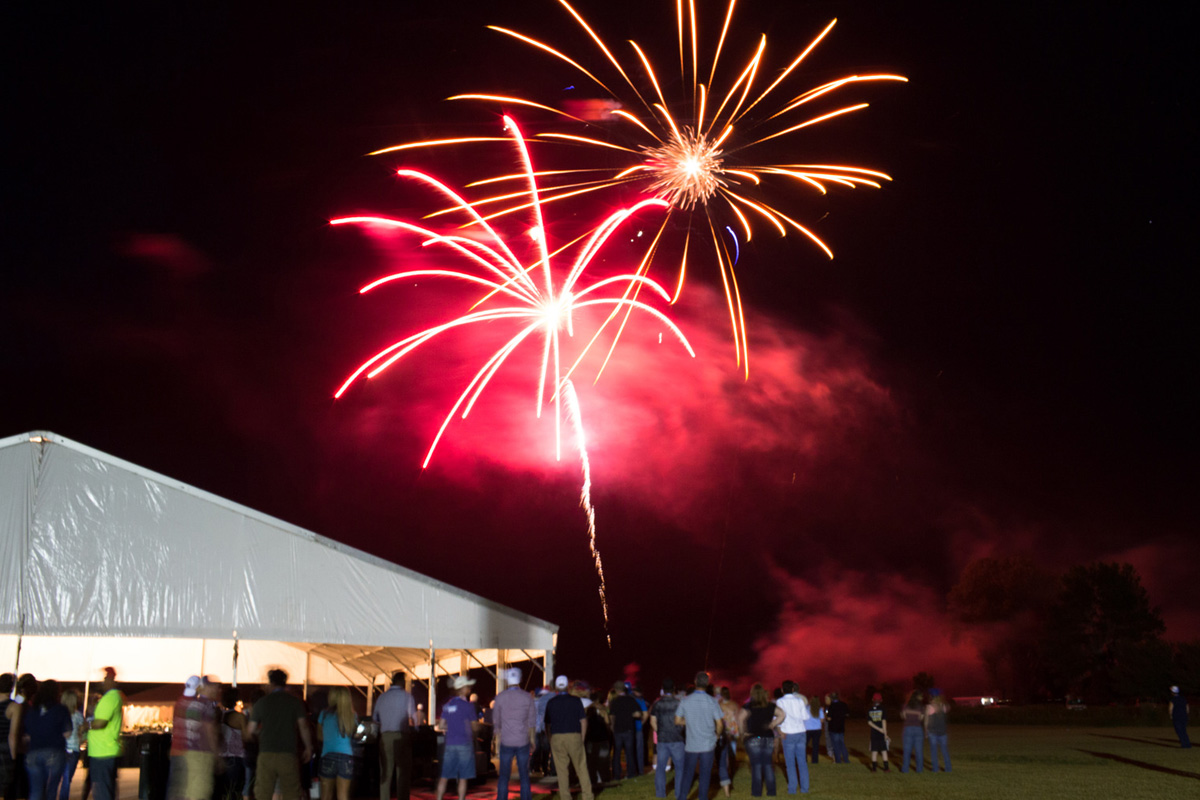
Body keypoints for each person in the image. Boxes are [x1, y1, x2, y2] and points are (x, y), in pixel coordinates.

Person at [247, 669, 313, 800]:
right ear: (285, 683)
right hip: (288, 754)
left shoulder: (262, 702)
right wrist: (308, 747)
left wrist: (263, 732)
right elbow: (303, 727)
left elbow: (251, 729)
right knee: (291, 792)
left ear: (271, 683)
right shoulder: (295, 702)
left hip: (266, 753)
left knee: (263, 793)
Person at [167, 676, 219, 800]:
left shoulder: (179, 702)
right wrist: (215, 752)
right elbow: (209, 729)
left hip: (176, 752)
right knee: (194, 790)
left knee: (177, 790)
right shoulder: (201, 704)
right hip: (193, 752)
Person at [674, 672, 723, 800]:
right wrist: (717, 736)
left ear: (695, 682)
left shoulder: (685, 700)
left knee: (688, 774)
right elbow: (719, 723)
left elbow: (677, 721)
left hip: (691, 745)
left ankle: (682, 797)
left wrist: (689, 721)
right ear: (707, 684)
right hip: (708, 744)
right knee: (705, 775)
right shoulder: (712, 701)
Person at [543, 675, 592, 800]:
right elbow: (583, 721)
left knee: (562, 770)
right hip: (574, 735)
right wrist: (582, 738)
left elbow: (547, 724)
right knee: (581, 767)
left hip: (557, 737)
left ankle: (565, 797)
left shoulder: (551, 703)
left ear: (556, 687)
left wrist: (550, 738)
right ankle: (587, 796)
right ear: (568, 686)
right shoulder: (576, 701)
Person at [23, 679, 71, 800]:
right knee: (51, 789)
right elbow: (67, 733)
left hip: (33, 752)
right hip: (54, 751)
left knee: (35, 790)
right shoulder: (61, 709)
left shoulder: (32, 710)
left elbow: (27, 735)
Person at [493, 668, 536, 800]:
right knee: (524, 775)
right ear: (520, 679)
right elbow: (531, 722)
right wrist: (532, 741)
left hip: (506, 742)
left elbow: (496, 722)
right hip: (523, 741)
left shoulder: (500, 697)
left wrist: (497, 742)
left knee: (504, 776)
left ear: (507, 680)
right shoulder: (527, 697)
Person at [374, 672, 417, 800]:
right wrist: (415, 729)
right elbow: (413, 718)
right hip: (401, 736)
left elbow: (375, 718)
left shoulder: (382, 697)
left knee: (386, 774)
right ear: (402, 682)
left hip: (385, 737)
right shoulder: (407, 697)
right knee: (402, 773)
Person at [436, 676, 479, 800]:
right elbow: (474, 726)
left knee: (444, 776)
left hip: (450, 744)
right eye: (467, 686)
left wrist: (452, 726)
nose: (469, 689)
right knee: (463, 777)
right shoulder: (468, 706)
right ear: (462, 689)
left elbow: (442, 725)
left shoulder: (447, 705)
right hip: (464, 743)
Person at [738, 683, 784, 798]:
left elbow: (740, 719)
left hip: (753, 738)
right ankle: (771, 792)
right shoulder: (770, 706)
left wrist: (743, 732)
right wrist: (773, 724)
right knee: (768, 764)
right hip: (767, 738)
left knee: (756, 766)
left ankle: (756, 792)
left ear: (752, 694)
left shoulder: (748, 706)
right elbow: (782, 714)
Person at [86, 668, 123, 800]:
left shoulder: (109, 699)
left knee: (102, 791)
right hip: (105, 750)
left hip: (102, 751)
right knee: (105, 789)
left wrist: (86, 726)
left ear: (111, 680)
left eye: (105, 678)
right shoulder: (113, 698)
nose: (102, 681)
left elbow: (101, 723)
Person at [317, 687, 357, 800]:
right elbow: (355, 736)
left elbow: (320, 737)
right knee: (343, 796)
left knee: (325, 795)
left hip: (328, 756)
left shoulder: (324, 714)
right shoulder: (352, 716)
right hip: (346, 758)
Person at [648, 679, 683, 800]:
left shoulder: (657, 704)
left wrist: (659, 731)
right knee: (680, 768)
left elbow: (652, 721)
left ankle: (660, 794)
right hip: (677, 739)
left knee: (660, 767)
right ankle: (679, 794)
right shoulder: (679, 703)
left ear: (663, 689)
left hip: (662, 740)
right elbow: (683, 720)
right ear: (674, 689)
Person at [774, 682, 810, 795]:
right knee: (802, 762)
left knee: (790, 763)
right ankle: (804, 788)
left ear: (782, 690)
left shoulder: (780, 702)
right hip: (800, 732)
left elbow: (777, 717)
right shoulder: (799, 701)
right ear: (793, 689)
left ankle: (792, 789)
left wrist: (779, 729)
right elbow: (805, 716)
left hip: (787, 733)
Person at [215, 687, 248, 800]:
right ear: (236, 700)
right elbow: (247, 736)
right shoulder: (239, 717)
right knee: (233, 792)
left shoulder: (218, 715)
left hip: (219, 757)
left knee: (220, 793)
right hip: (235, 757)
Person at [607, 682, 640, 780]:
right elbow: (638, 714)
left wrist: (612, 727)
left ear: (616, 690)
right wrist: (630, 715)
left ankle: (616, 775)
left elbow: (612, 716)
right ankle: (631, 774)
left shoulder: (614, 701)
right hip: (629, 729)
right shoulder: (631, 700)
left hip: (618, 730)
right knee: (629, 753)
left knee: (616, 753)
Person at [59, 690, 85, 800]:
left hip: (60, 748)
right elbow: (84, 730)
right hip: (73, 748)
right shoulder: (78, 715)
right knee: (67, 778)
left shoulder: (58, 714)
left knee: (57, 777)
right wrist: (81, 740)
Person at [716, 687, 740, 796]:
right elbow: (738, 716)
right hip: (733, 729)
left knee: (724, 755)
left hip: (723, 730)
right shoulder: (734, 704)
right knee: (732, 751)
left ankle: (726, 771)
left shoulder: (719, 704)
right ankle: (732, 770)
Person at [924, 689, 951, 771]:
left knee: (934, 751)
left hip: (933, 732)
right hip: (943, 732)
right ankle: (948, 768)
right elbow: (948, 708)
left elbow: (926, 720)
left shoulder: (929, 707)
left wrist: (925, 731)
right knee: (944, 751)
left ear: (930, 696)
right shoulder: (943, 706)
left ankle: (935, 768)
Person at [1, 674, 18, 800]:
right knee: (5, 786)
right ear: (12, 687)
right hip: (3, 750)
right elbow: (12, 735)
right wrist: (14, 758)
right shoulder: (13, 706)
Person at [899, 690, 924, 774]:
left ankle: (905, 769)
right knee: (919, 750)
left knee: (907, 750)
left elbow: (903, 716)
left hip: (908, 728)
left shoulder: (905, 706)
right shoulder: (920, 707)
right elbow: (921, 718)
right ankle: (919, 769)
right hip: (918, 729)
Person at [824, 693, 848, 765]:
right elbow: (847, 714)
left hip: (833, 728)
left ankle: (838, 760)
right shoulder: (843, 704)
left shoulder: (832, 706)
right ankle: (846, 759)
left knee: (835, 745)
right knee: (842, 744)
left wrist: (826, 716)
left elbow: (829, 718)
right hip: (841, 727)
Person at [866, 693, 888, 772]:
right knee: (884, 751)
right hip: (881, 733)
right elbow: (884, 721)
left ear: (873, 700)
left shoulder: (870, 709)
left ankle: (874, 769)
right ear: (881, 700)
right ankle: (886, 768)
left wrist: (877, 729)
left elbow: (869, 722)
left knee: (874, 751)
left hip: (873, 734)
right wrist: (884, 733)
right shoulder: (882, 709)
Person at [802, 694, 822, 766]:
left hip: (807, 729)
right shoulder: (819, 709)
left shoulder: (807, 708)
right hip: (817, 729)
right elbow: (822, 720)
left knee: (804, 745)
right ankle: (815, 760)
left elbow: (804, 718)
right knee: (815, 745)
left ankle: (804, 759)